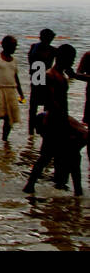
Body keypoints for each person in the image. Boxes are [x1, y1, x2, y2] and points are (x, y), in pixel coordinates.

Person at [23, 44, 87, 195]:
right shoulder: (51, 75)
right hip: (55, 122)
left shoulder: (60, 76)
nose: (72, 62)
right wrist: (70, 124)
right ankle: (75, 191)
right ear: (61, 58)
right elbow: (52, 102)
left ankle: (72, 189)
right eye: (70, 59)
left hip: (59, 120)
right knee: (51, 156)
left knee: (61, 157)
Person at [0, 35, 25, 142]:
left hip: (11, 90)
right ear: (5, 45)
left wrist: (21, 94)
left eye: (15, 46)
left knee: (9, 118)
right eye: (13, 46)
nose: (14, 48)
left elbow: (15, 77)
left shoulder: (14, 60)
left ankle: (5, 140)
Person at [28, 28, 57, 137]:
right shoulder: (35, 47)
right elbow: (31, 63)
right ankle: (31, 134)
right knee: (33, 108)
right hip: (37, 78)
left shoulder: (53, 50)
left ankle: (42, 132)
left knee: (46, 108)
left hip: (45, 79)